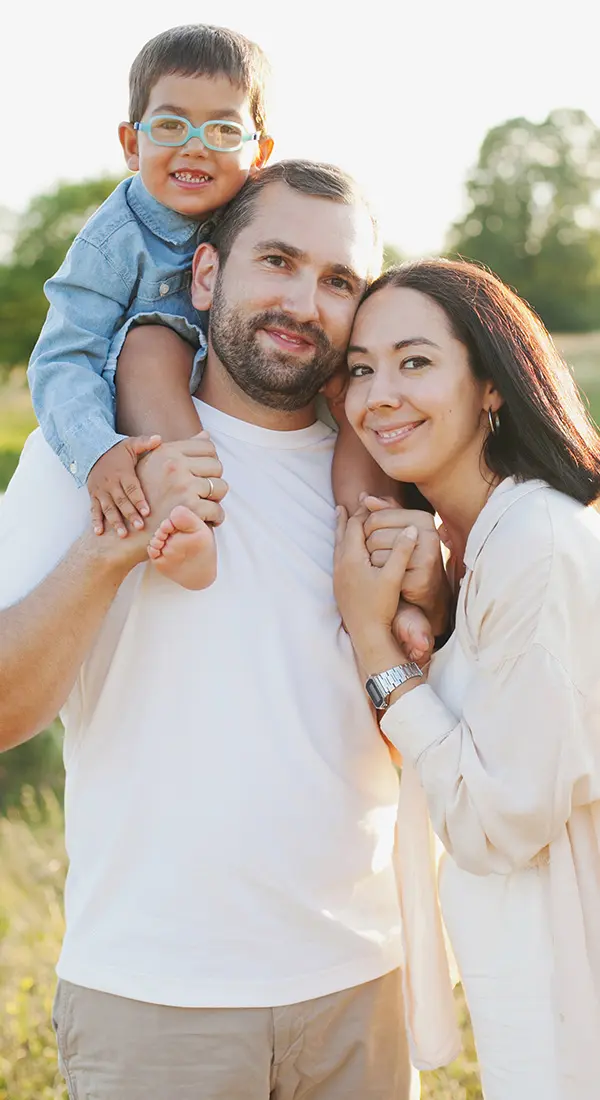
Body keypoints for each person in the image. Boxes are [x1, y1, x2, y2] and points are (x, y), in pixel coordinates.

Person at [0, 163, 457, 1100]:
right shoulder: (86, 453)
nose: (304, 301)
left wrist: (433, 610)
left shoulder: (380, 474)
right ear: (205, 276)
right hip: (156, 1004)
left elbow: (432, 742)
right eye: (278, 261)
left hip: (362, 989)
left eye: (339, 282)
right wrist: (113, 545)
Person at [333, 258, 600, 1100]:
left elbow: (497, 821)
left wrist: (373, 643)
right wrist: (438, 615)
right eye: (360, 368)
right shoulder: (484, 545)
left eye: (415, 362)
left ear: (492, 384)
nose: (379, 395)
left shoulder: (537, 542)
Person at [27, 23, 390, 591]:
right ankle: (192, 516)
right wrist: (97, 452)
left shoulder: (266, 209)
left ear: (259, 154)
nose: (194, 146)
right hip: (155, 380)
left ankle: (373, 529)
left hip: (256, 373)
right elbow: (61, 355)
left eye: (222, 129)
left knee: (353, 391)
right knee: (150, 344)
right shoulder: (111, 244)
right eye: (171, 125)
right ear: (131, 144)